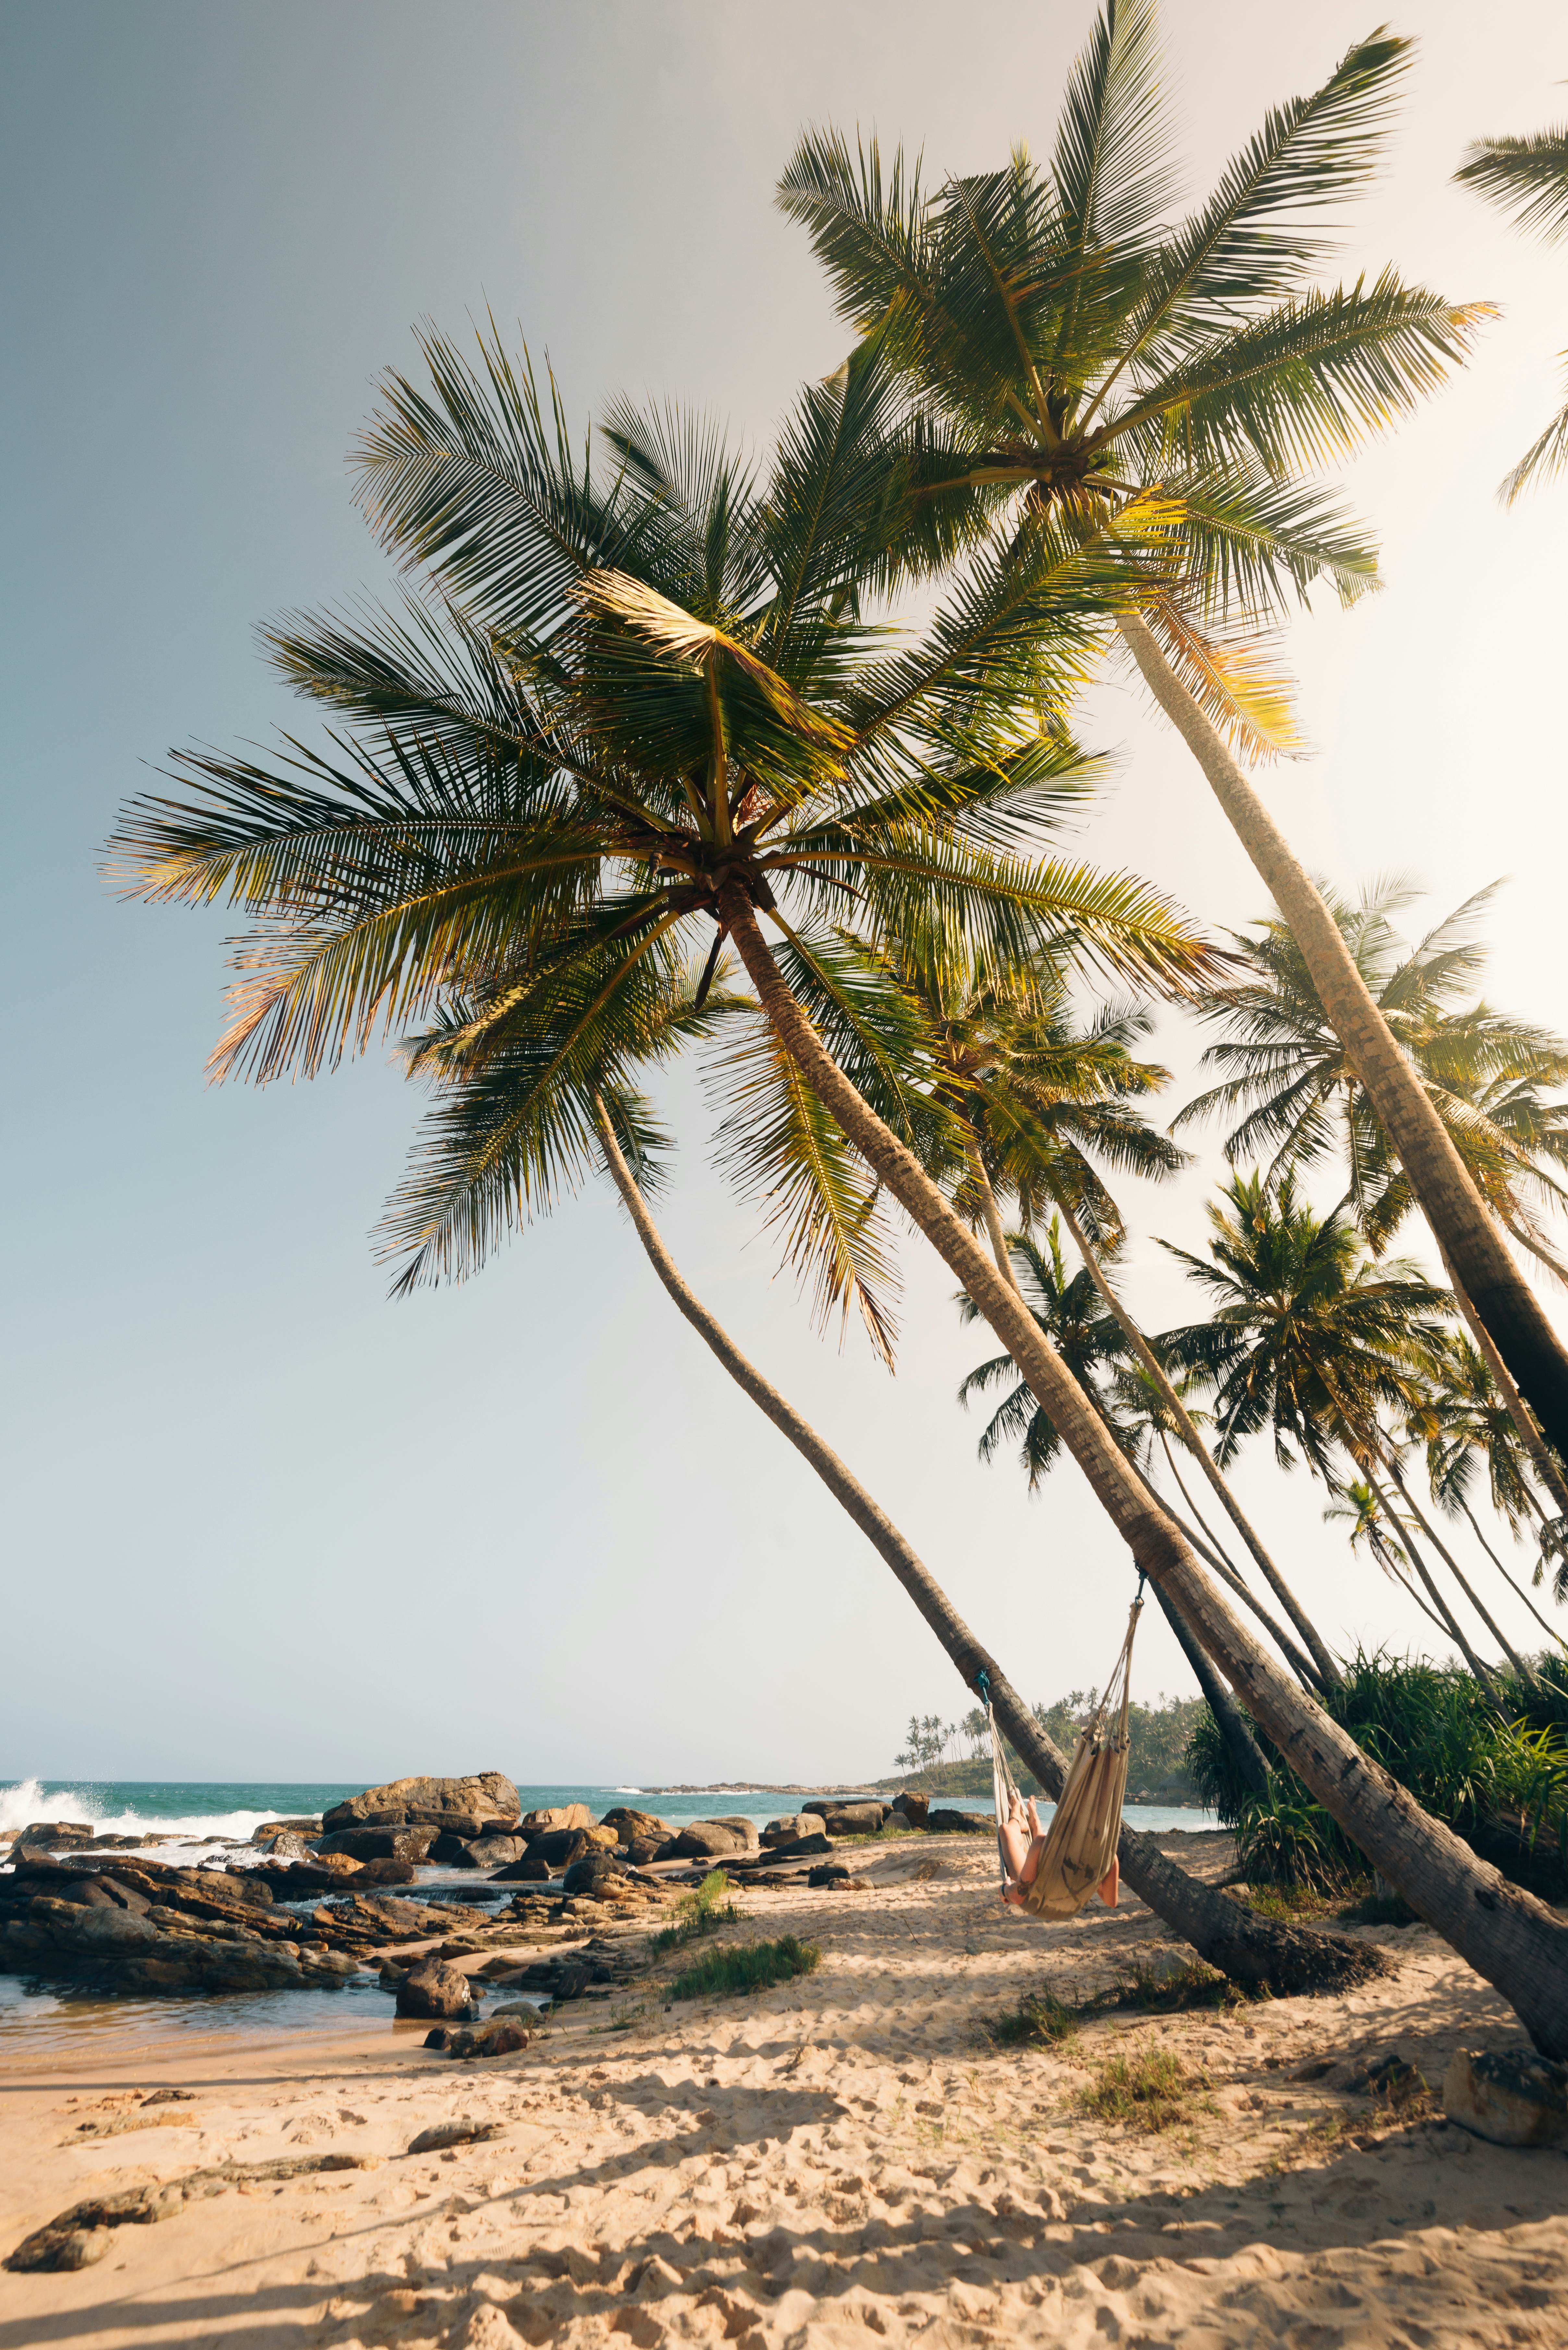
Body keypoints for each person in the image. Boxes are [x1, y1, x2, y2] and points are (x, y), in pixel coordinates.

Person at [996, 1785, 1120, 1912]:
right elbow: (1111, 1902)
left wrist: (1004, 1890)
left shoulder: (1049, 1843)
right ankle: (1033, 1819)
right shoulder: (1108, 1858)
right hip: (1058, 1894)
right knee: (1041, 1846)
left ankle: (1017, 1813)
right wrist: (1095, 1879)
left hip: (1036, 1893)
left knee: (1006, 1830)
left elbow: (1017, 1897)